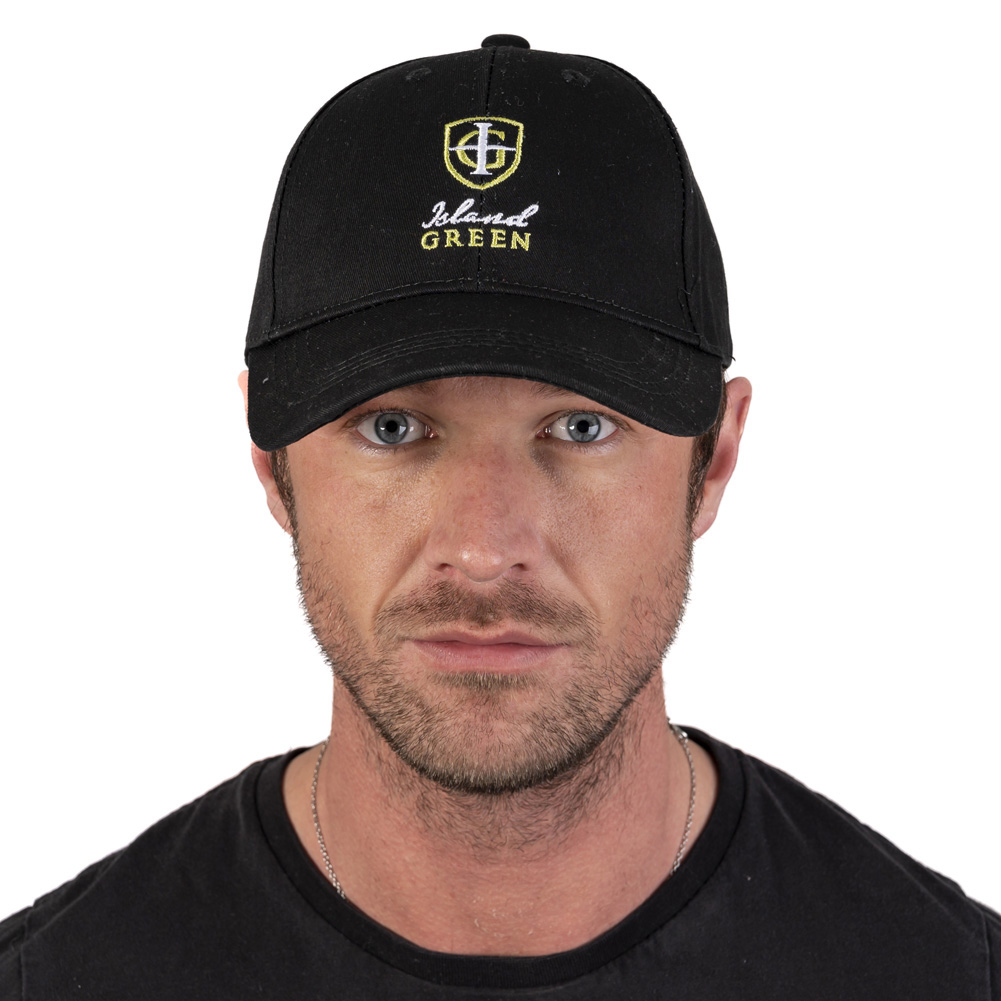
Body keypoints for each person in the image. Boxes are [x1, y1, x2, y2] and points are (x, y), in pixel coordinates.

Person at [1, 33, 997, 1000]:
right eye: (392, 427)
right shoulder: (59, 975)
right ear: (271, 461)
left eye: (579, 425)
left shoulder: (941, 974)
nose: (482, 549)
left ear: (714, 459)